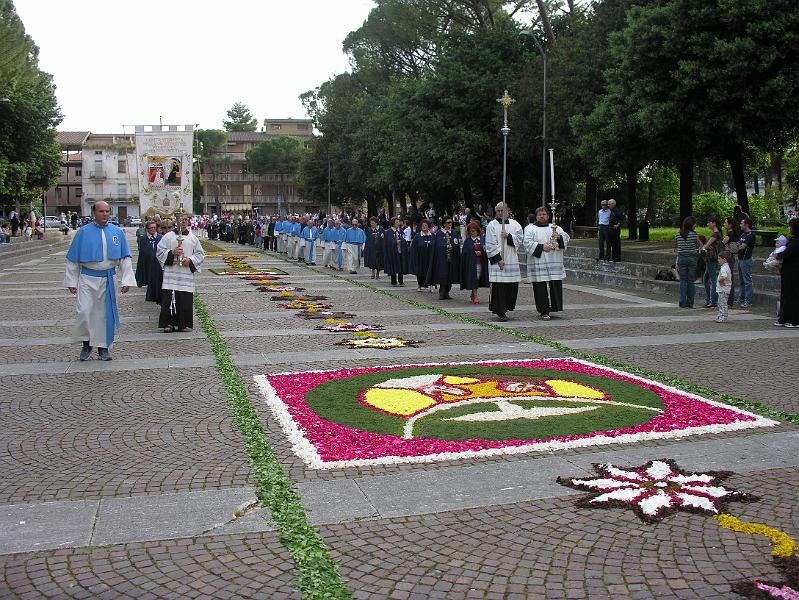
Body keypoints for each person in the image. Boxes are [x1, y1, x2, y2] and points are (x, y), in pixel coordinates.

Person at [64, 201, 135, 361]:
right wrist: (71, 281)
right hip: (87, 279)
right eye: (101, 211)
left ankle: (103, 347)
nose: (105, 214)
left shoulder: (117, 232)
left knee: (105, 315)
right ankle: (87, 343)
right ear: (94, 213)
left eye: (107, 211)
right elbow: (73, 260)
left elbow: (125, 258)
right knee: (84, 312)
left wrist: (127, 280)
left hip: (108, 279)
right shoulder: (83, 233)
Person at [157, 215, 204, 332]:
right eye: (180, 220)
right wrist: (171, 253)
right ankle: (168, 323)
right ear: (175, 221)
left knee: (184, 298)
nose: (182, 222)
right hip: (171, 273)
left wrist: (190, 260)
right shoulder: (168, 237)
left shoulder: (193, 238)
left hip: (185, 273)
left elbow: (200, 254)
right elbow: (159, 251)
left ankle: (183, 323)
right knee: (169, 298)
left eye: (185, 220)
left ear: (188, 222)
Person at [523, 208, 570, 320]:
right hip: (539, 261)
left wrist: (560, 238)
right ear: (536, 216)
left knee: (555, 284)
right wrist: (541, 247)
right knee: (540, 287)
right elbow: (527, 244)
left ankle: (554, 307)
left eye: (544, 214)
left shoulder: (555, 228)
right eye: (539, 215)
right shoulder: (530, 228)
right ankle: (543, 310)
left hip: (554, 260)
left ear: (548, 216)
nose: (542, 216)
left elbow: (566, 239)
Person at [485, 202, 524, 322]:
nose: (500, 213)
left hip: (511, 258)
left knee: (510, 286)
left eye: (503, 210)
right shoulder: (492, 225)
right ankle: (500, 311)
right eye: (498, 211)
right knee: (499, 287)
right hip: (498, 261)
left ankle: (507, 307)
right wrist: (498, 259)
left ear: (507, 210)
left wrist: (509, 236)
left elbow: (519, 239)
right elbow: (490, 244)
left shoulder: (515, 224)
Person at [775, 218, 799, 327]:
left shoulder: (796, 241)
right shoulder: (792, 240)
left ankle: (794, 319)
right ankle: (783, 318)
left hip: (794, 272)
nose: (789, 228)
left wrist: (779, 254)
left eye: (790, 227)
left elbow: (787, 253)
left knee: (792, 295)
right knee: (785, 294)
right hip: (787, 271)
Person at [430, 217, 461, 299]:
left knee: (450, 276)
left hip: (452, 258)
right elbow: (437, 246)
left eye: (451, 222)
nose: (450, 224)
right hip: (442, 258)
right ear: (444, 224)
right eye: (448, 222)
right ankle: (442, 292)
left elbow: (456, 244)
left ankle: (447, 292)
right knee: (443, 275)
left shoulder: (453, 233)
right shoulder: (439, 233)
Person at [675, 216, 701, 308]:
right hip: (692, 258)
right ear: (691, 225)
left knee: (683, 280)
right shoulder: (694, 235)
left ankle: (682, 301)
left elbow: (677, 246)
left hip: (681, 258)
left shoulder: (678, 234)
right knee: (690, 281)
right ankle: (690, 302)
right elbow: (700, 246)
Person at [135, 220, 163, 304]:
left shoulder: (160, 238)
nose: (153, 229)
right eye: (151, 228)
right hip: (148, 263)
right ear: (147, 229)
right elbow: (142, 253)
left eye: (154, 227)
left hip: (158, 264)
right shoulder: (143, 240)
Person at [460, 221, 489, 304]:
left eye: (474, 231)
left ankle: (473, 293)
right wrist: (473, 253)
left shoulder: (483, 239)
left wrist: (482, 253)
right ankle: (476, 296)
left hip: (481, 262)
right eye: (470, 231)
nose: (472, 233)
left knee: (478, 278)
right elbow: (465, 253)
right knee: (474, 278)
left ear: (477, 230)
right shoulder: (468, 241)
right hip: (471, 264)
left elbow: (487, 249)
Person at [702, 215, 723, 308]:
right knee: (706, 278)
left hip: (711, 257)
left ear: (714, 223)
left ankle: (713, 300)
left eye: (709, 222)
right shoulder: (718, 234)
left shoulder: (715, 234)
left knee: (713, 279)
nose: (708, 224)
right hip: (712, 257)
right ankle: (709, 298)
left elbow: (706, 246)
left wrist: (705, 247)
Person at [409, 220, 435, 291]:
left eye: (425, 225)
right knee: (420, 272)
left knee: (430, 271)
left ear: (428, 227)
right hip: (420, 258)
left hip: (430, 257)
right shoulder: (417, 236)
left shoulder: (433, 236)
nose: (424, 227)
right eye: (422, 225)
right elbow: (413, 248)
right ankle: (419, 285)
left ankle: (431, 286)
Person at [736, 216, 756, 308]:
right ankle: (742, 298)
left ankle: (749, 300)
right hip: (740, 259)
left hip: (746, 259)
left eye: (742, 223)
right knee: (741, 281)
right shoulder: (743, 235)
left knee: (747, 280)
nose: (740, 225)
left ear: (746, 224)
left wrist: (735, 248)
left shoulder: (750, 235)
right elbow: (738, 244)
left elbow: (742, 246)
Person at [383, 216, 409, 286]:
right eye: (396, 222)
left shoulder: (400, 230)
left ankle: (401, 281)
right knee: (393, 266)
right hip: (392, 252)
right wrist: (395, 242)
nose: (398, 223)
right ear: (393, 223)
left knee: (401, 266)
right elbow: (388, 242)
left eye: (398, 222)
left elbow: (403, 238)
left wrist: (402, 241)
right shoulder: (389, 231)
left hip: (400, 251)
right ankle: (393, 281)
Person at [721, 217, 740, 308]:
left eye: (725, 222)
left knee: (728, 278)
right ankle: (729, 301)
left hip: (728, 257)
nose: (724, 224)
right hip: (731, 257)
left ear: (730, 224)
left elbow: (722, 243)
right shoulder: (734, 233)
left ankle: (729, 301)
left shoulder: (730, 234)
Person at [715, 251, 733, 323]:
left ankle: (723, 316)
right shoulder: (726, 267)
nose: (718, 260)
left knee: (722, 303)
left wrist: (720, 281)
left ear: (724, 259)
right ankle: (720, 315)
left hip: (723, 289)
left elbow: (724, 276)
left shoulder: (724, 268)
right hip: (725, 289)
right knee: (721, 303)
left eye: (719, 259)